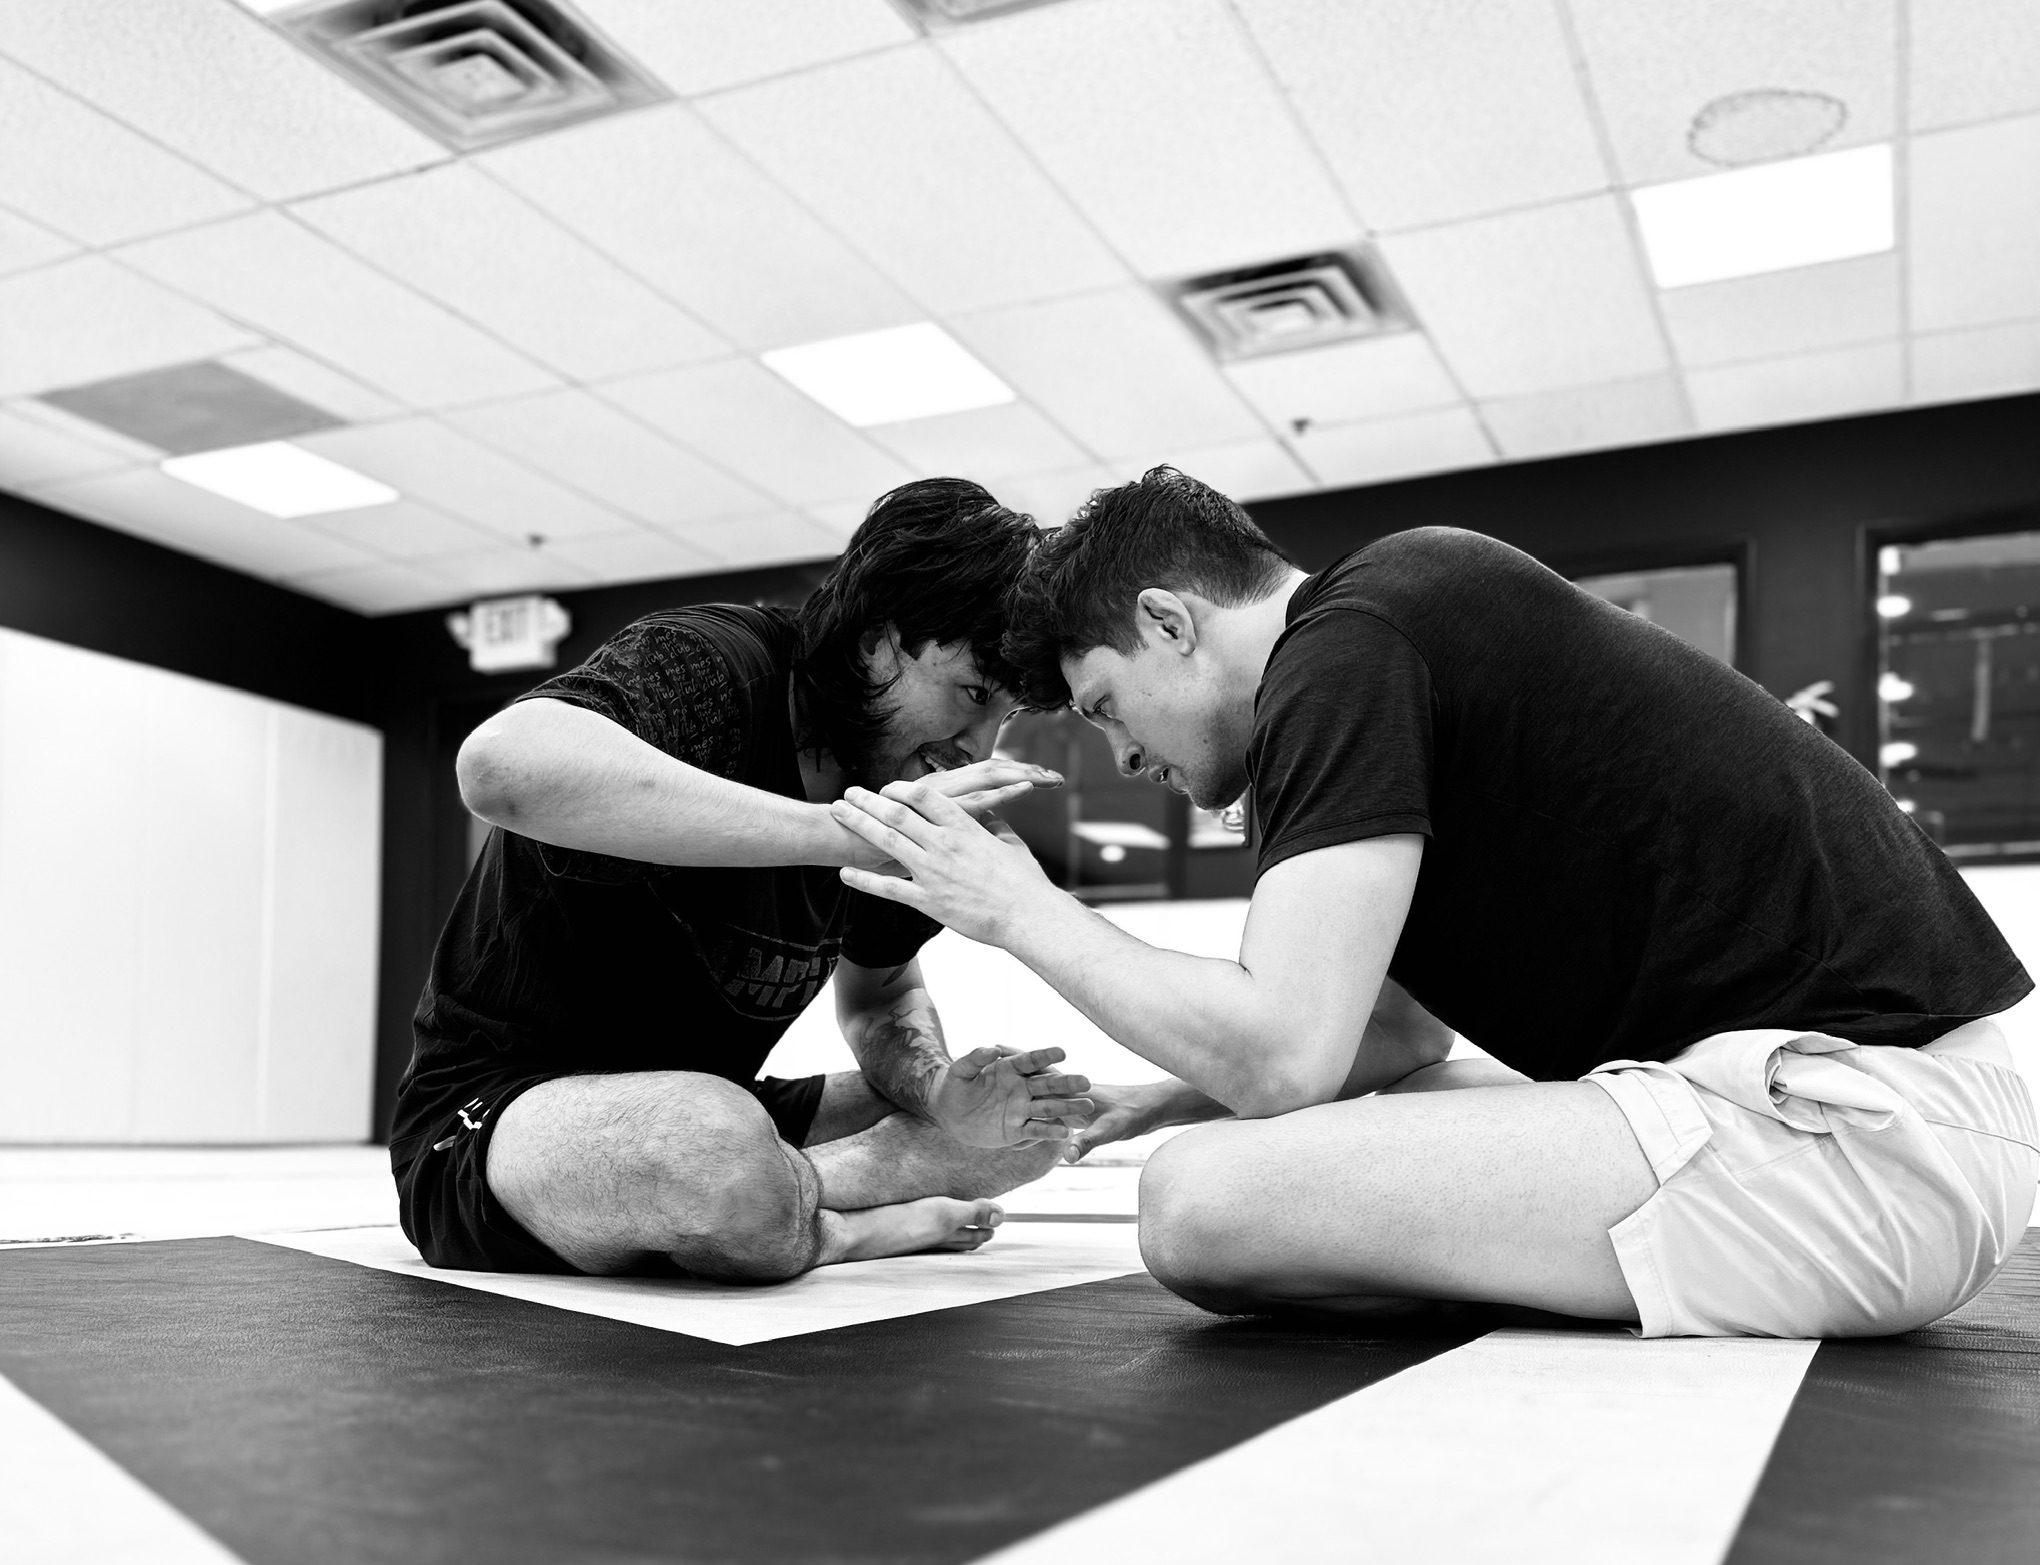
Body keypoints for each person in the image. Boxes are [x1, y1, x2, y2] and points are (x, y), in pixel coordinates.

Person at [829, 467, 2037, 1339]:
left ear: (1166, 620)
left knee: (1197, 1205)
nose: (1124, 758)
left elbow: (1285, 1056)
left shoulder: (1344, 648)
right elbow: (1395, 1037)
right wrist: (1147, 1098)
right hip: (1889, 1118)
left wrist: (1015, 904)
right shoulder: (1400, 618)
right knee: (1310, 1123)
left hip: (1864, 1149)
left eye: (1103, 707)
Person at [389, 478, 1094, 1282]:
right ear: (875, 636)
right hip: (495, 1123)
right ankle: (838, 1227)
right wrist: (839, 833)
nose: (977, 746)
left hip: (721, 1101)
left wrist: (937, 1094)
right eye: (970, 694)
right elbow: (497, 768)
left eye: (1003, 718)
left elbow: (885, 993)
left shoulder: (900, 776)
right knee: (711, 1147)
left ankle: (786, 1199)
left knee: (1025, 1123)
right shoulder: (718, 666)